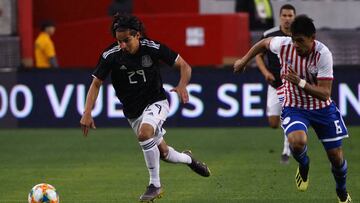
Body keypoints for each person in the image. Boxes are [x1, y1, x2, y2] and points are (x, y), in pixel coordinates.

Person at [80, 13, 211, 202]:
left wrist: (182, 85)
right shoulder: (111, 55)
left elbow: (185, 66)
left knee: (145, 134)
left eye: (126, 41)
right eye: (119, 42)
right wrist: (87, 112)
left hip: (156, 101)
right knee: (164, 153)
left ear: (137, 35)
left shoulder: (153, 48)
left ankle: (155, 185)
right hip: (133, 112)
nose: (122, 46)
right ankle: (189, 159)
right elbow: (96, 84)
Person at [234, 15, 351, 203]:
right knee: (297, 142)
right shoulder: (284, 44)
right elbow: (263, 43)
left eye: (301, 41)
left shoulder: (323, 54)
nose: (296, 45)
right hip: (294, 105)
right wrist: (244, 60)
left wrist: (301, 82)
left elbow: (325, 93)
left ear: (312, 38)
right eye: (294, 40)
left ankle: (342, 191)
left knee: (336, 158)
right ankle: (304, 164)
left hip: (322, 109)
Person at [255, 4, 296, 164]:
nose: (287, 18)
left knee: (288, 116)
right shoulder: (270, 34)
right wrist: (265, 73)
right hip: (274, 84)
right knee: (273, 122)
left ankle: (287, 150)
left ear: (294, 17)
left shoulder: (299, 35)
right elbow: (258, 55)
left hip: (292, 85)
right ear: (280, 17)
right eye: (284, 15)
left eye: (290, 15)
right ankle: (293, 129)